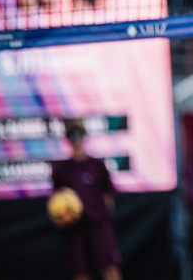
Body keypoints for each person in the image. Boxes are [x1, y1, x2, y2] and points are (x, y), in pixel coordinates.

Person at [51, 120, 122, 280]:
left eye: (79, 134)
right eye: (72, 135)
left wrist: (102, 220)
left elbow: (108, 198)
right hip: (74, 229)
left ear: (85, 136)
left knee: (109, 268)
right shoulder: (61, 170)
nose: (76, 139)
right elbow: (56, 202)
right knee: (79, 273)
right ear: (67, 138)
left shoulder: (97, 166)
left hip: (98, 226)